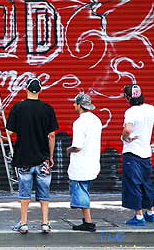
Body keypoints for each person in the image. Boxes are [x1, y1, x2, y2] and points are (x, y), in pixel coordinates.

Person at [7, 77, 59, 234]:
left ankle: (23, 223)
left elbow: (9, 131)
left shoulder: (18, 108)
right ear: (41, 90)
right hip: (43, 158)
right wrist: (50, 156)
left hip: (24, 158)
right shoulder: (48, 109)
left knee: (24, 192)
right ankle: (45, 223)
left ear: (26, 89)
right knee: (44, 192)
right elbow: (51, 135)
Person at [120, 84, 154, 226]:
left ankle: (139, 216)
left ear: (128, 97)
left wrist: (124, 137)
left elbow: (128, 129)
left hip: (132, 153)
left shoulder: (131, 112)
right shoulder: (151, 109)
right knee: (146, 183)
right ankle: (151, 213)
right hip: (146, 153)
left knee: (133, 183)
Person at [66, 93, 102, 232]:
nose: (73, 105)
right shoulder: (96, 120)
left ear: (80, 105)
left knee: (81, 191)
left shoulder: (79, 122)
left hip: (81, 164)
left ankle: (88, 222)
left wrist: (69, 150)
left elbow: (78, 146)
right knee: (84, 190)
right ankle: (87, 221)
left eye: (75, 103)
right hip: (93, 161)